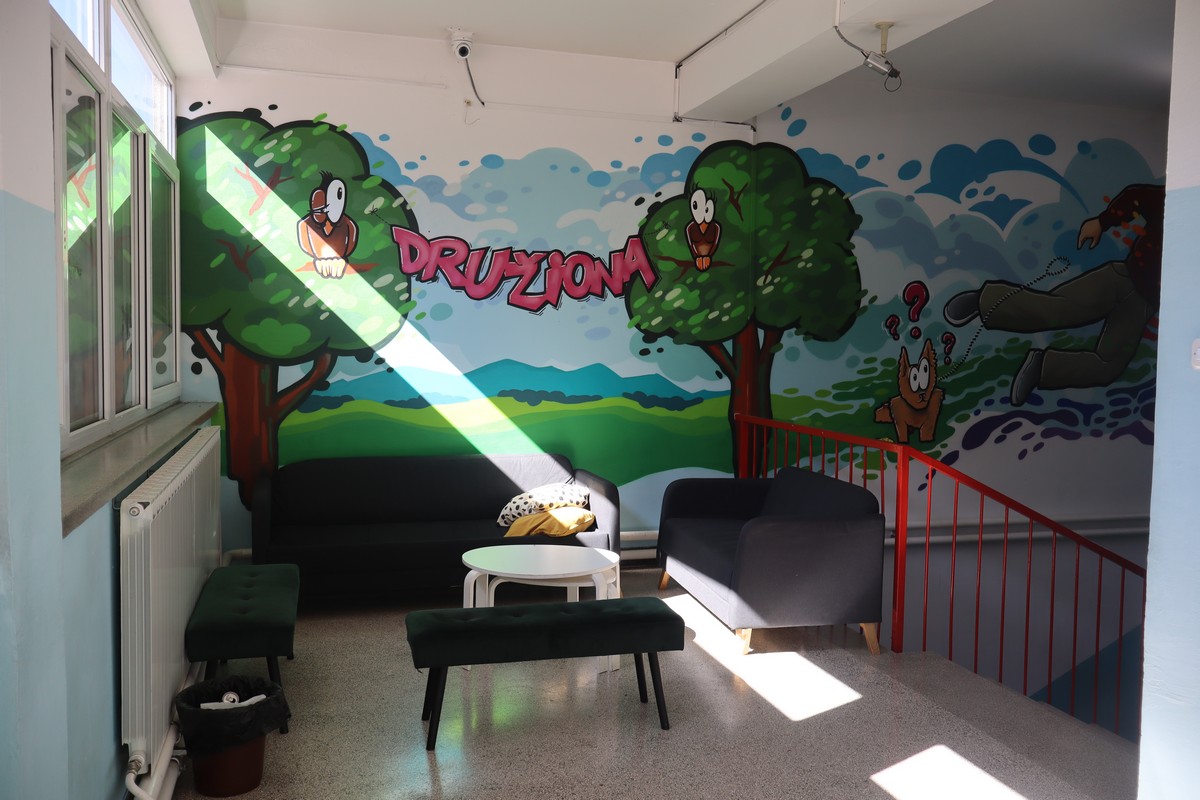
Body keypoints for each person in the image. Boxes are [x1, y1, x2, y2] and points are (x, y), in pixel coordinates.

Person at [943, 183, 1163, 406]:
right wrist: (1102, 222)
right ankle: (983, 302)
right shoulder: (1175, 202)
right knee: (1056, 309)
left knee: (1108, 366)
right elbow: (1140, 197)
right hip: (1123, 277)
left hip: (1143, 305)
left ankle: (1041, 368)